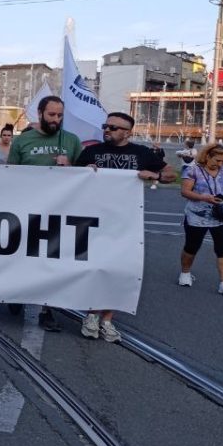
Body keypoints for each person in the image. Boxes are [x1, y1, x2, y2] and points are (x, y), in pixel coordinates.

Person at [74, 112, 173, 341]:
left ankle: (107, 318)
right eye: (106, 126)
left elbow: (171, 173)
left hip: (125, 220)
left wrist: (155, 174)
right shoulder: (92, 151)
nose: (108, 130)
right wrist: (82, 171)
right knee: (94, 267)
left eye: (114, 127)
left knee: (119, 269)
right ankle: (91, 314)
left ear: (128, 132)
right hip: (93, 218)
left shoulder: (142, 153)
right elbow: (71, 179)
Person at [6, 95, 83, 331]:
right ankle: (16, 292)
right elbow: (9, 174)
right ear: (40, 113)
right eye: (51, 114)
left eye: (60, 115)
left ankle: (46, 308)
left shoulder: (71, 140)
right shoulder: (23, 141)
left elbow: (85, 177)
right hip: (25, 209)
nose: (56, 119)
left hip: (58, 212)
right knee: (21, 255)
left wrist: (69, 166)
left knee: (50, 260)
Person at [178, 142, 223, 294]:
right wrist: (204, 198)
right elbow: (185, 192)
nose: (220, 164)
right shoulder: (192, 170)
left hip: (220, 216)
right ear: (208, 156)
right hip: (196, 216)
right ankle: (185, 273)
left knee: (222, 249)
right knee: (192, 246)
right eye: (217, 160)